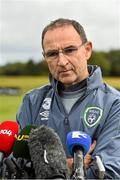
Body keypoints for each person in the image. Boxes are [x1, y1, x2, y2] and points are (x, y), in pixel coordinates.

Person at [16, 18, 120, 179]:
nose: (62, 61)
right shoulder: (32, 101)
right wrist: (69, 165)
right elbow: (16, 168)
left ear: (87, 49)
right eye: (52, 54)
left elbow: (108, 172)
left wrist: (43, 167)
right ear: (45, 57)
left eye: (70, 50)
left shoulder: (114, 103)